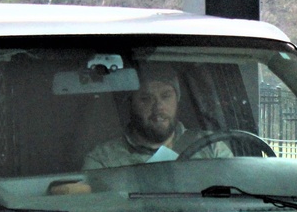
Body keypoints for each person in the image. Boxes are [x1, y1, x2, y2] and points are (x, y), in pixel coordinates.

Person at [83, 65, 232, 169]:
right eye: (146, 98)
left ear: (177, 99)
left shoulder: (211, 146)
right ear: (131, 104)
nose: (158, 107)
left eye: (166, 96)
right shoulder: (104, 159)